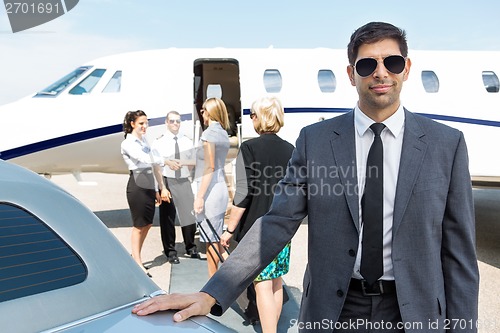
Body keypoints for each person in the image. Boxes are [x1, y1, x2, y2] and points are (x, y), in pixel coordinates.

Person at [133, 22, 479, 333]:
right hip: (336, 311)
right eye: (367, 64)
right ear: (350, 73)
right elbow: (277, 222)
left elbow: (459, 254)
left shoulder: (445, 145)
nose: (380, 73)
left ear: (406, 69)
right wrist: (213, 292)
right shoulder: (316, 142)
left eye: (392, 62)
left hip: (415, 313)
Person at [220, 96, 294, 332]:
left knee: (262, 283)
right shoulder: (291, 149)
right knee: (277, 280)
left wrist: (229, 229)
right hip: (283, 227)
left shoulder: (249, 148)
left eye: (252, 114)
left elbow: (243, 194)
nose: (250, 118)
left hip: (257, 229)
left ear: (260, 117)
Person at [120, 110, 170, 276]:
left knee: (148, 224)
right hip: (137, 185)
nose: (145, 126)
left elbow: (153, 166)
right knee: (139, 225)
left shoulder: (144, 141)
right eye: (141, 123)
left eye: (146, 123)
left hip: (148, 185)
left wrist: (157, 189)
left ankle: (135, 256)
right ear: (132, 124)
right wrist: (165, 160)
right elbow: (145, 160)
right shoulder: (128, 143)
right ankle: (137, 262)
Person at [152, 111, 200, 265]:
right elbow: (155, 165)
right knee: (168, 219)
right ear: (166, 122)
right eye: (172, 121)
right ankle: (171, 251)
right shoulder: (159, 142)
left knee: (189, 216)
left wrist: (184, 164)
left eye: (178, 121)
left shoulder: (186, 141)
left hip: (183, 180)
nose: (175, 124)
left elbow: (194, 161)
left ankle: (190, 246)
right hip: (168, 181)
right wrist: (161, 187)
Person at [193, 97, 231, 277]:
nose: (202, 114)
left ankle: (212, 286)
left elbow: (210, 166)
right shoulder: (223, 133)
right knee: (215, 237)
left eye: (203, 110)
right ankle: (234, 275)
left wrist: (199, 196)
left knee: (211, 240)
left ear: (210, 112)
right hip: (220, 187)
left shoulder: (208, 134)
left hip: (210, 191)